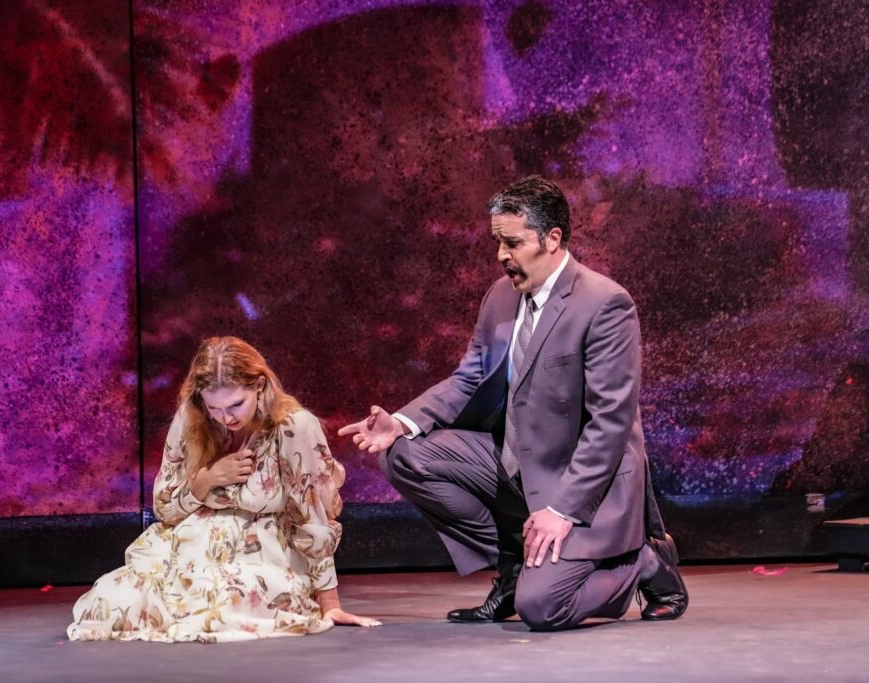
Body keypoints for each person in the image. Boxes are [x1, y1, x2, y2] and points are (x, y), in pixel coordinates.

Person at [339, 176, 687, 631]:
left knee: (543, 608)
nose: (501, 255)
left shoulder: (605, 304)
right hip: (518, 465)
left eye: (513, 243)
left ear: (552, 239)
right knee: (404, 455)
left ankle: (641, 562)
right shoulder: (501, 296)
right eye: (498, 242)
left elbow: (610, 423)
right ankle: (514, 566)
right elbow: (470, 377)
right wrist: (403, 422)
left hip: (580, 482)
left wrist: (562, 510)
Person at [69, 336, 380, 643]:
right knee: (111, 604)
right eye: (214, 407)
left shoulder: (293, 427)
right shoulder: (193, 419)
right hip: (188, 549)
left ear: (260, 386)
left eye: (236, 405)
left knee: (222, 604)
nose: (226, 417)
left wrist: (330, 603)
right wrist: (206, 480)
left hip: (261, 556)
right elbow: (165, 510)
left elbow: (314, 515)